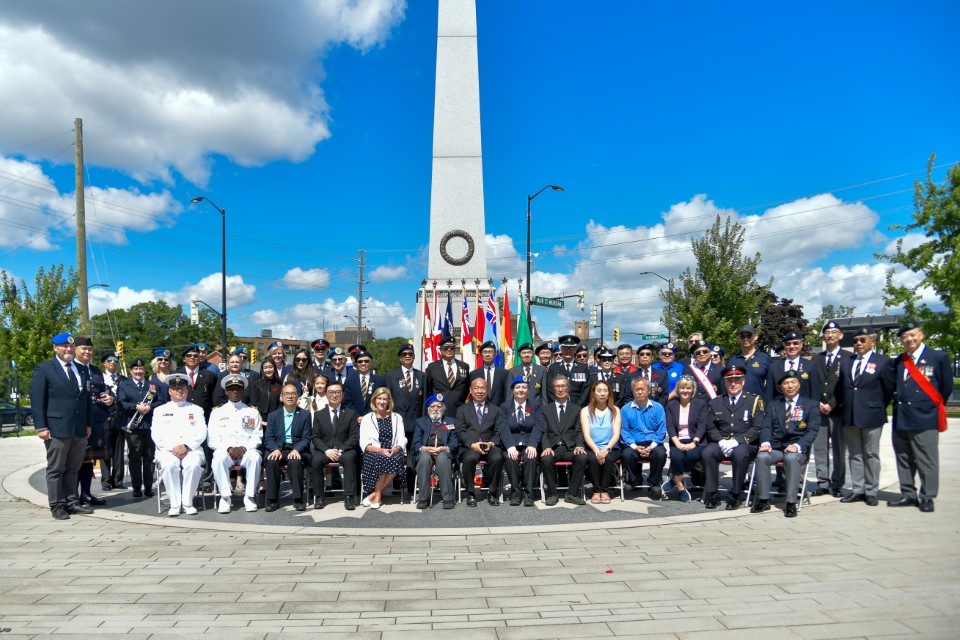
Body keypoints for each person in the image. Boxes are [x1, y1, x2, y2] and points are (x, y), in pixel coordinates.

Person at [888, 321, 952, 513]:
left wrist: (927, 406)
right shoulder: (899, 361)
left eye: (912, 335)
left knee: (927, 459)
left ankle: (927, 496)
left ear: (921, 335)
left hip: (925, 418)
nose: (909, 339)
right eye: (905, 337)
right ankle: (908, 493)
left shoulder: (938, 357)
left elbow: (946, 388)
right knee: (904, 458)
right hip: (902, 418)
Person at [32, 333, 94, 520]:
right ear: (55, 348)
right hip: (56, 428)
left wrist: (88, 423)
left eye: (70, 346)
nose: (68, 349)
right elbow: (37, 400)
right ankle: (57, 505)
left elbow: (86, 401)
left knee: (73, 468)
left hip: (79, 428)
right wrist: (41, 426)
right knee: (56, 468)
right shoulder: (44, 368)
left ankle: (72, 502)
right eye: (63, 347)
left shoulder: (82, 370)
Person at [752, 369, 821, 517]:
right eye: (786, 383)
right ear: (781, 387)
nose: (790, 386)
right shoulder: (773, 405)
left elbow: (813, 431)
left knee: (791, 458)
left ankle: (791, 502)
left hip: (798, 449)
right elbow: (766, 427)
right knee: (762, 456)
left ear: (799, 385)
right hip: (777, 447)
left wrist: (798, 446)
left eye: (793, 382)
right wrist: (765, 442)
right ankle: (763, 499)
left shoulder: (810, 405)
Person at [837, 328, 894, 506]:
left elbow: (888, 390)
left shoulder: (883, 362)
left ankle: (871, 491)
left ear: (873, 342)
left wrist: (876, 406)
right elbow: (842, 388)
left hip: (872, 415)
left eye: (862, 340)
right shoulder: (847, 362)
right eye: (855, 341)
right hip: (850, 415)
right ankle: (857, 489)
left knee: (871, 454)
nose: (858, 344)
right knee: (855, 454)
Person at [702, 365, 765, 510]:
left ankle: (735, 494)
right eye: (730, 381)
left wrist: (738, 441)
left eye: (737, 380)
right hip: (722, 441)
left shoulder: (754, 401)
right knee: (707, 453)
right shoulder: (716, 402)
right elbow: (710, 427)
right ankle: (712, 494)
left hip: (744, 443)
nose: (733, 384)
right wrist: (721, 440)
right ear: (725, 383)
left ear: (743, 382)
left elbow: (757, 427)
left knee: (740, 454)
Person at [151, 373, 207, 517]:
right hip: (167, 450)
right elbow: (156, 434)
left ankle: (187, 502)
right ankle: (175, 504)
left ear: (187, 390)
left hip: (191, 449)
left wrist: (186, 446)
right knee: (169, 465)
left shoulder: (196, 410)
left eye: (182, 388)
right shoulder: (160, 411)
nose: (179, 391)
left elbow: (202, 433)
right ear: (170, 391)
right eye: (175, 388)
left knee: (193, 464)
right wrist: (173, 448)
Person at [208, 375, 263, 513]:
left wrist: (244, 448)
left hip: (246, 451)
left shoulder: (252, 412)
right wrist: (228, 448)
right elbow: (213, 438)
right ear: (226, 391)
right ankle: (225, 497)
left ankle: (249, 496)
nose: (235, 392)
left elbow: (257, 436)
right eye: (231, 389)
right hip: (227, 451)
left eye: (238, 389)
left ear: (243, 391)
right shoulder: (217, 413)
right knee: (218, 458)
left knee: (255, 457)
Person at [71, 336, 113, 507]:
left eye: (89, 349)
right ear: (75, 350)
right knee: (75, 460)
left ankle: (86, 494)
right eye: (83, 349)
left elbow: (104, 390)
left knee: (88, 459)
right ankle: (72, 496)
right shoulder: (71, 369)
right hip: (77, 422)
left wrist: (111, 399)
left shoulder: (96, 371)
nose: (87, 352)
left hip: (95, 420)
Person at [118, 357, 167, 498]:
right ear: (131, 371)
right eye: (135, 369)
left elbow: (161, 401)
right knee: (134, 457)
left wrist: (150, 407)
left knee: (149, 457)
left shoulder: (152, 385)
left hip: (150, 426)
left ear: (145, 370)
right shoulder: (124, 385)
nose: (138, 371)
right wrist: (136, 407)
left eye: (141, 369)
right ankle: (136, 488)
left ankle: (148, 487)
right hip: (133, 427)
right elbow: (121, 403)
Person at [538, 375, 588, 506]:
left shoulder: (577, 409)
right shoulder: (545, 409)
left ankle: (572, 493)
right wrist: (546, 447)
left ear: (568, 388)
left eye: (563, 386)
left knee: (582, 458)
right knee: (546, 459)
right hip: (553, 447)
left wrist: (579, 445)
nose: (560, 389)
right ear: (553, 389)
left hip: (570, 448)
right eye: (557, 386)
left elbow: (578, 431)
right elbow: (544, 432)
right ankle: (552, 494)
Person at [309, 380, 360, 510]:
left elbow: (354, 436)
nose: (334, 395)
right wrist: (326, 450)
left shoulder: (351, 413)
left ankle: (349, 497)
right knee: (315, 461)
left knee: (349, 459)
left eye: (338, 392)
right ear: (326, 394)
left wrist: (341, 449)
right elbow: (315, 436)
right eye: (331, 392)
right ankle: (319, 497)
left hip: (345, 449)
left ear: (342, 395)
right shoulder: (319, 415)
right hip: (325, 450)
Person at [264, 383, 312, 512]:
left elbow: (306, 438)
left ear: (298, 397)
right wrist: (275, 449)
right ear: (281, 397)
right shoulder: (273, 416)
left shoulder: (305, 415)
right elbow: (268, 438)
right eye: (286, 394)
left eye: (293, 393)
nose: (290, 396)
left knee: (295, 461)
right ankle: (272, 499)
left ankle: (298, 498)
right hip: (278, 448)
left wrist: (297, 449)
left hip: (297, 449)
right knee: (272, 461)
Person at [456, 378, 503, 507]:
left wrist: (491, 444)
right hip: (469, 447)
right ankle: (471, 493)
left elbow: (498, 432)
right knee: (470, 458)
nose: (480, 391)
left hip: (489, 446)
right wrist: (471, 444)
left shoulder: (495, 410)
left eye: (483, 388)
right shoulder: (462, 409)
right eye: (476, 388)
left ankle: (492, 493)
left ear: (488, 391)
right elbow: (460, 431)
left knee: (498, 458)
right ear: (471, 390)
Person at [496, 376, 542, 507]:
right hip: (512, 443)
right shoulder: (505, 407)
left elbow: (539, 425)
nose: (521, 390)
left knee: (531, 458)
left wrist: (533, 444)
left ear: (528, 390)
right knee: (510, 460)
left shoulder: (535, 405)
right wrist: (510, 446)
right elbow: (502, 427)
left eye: (524, 387)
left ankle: (529, 494)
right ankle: (515, 493)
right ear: (513, 390)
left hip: (529, 442)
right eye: (517, 387)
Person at [814, 320, 847, 497]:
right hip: (819, 410)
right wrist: (819, 402)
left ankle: (838, 483)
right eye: (827, 332)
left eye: (834, 332)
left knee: (839, 448)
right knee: (820, 448)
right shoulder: (817, 358)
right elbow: (813, 384)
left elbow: (847, 385)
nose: (830, 335)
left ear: (840, 335)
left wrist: (832, 403)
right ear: (823, 336)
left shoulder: (848, 357)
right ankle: (823, 483)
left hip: (838, 410)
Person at [359, 387, 407, 509]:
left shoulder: (397, 417)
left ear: (389, 401)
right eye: (379, 398)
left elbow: (402, 438)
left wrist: (396, 449)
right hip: (374, 451)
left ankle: (374, 495)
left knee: (396, 459)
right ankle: (378, 495)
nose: (382, 402)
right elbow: (364, 442)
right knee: (380, 459)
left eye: (385, 399)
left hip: (393, 450)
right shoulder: (367, 418)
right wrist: (380, 450)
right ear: (374, 400)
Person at [620, 377, 667, 500]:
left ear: (648, 390)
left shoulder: (658, 407)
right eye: (636, 389)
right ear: (632, 391)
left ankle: (654, 481)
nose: (639, 392)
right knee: (626, 455)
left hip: (653, 443)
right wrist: (635, 447)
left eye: (642, 389)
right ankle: (635, 479)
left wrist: (651, 447)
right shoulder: (625, 409)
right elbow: (624, 431)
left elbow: (661, 430)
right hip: (635, 443)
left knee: (661, 454)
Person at [665, 375, 709, 502]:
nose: (685, 391)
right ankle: (680, 486)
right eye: (683, 388)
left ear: (693, 389)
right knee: (676, 456)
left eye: (688, 388)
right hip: (677, 440)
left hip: (696, 441)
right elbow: (669, 426)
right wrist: (677, 443)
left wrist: (694, 442)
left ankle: (674, 479)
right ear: (678, 389)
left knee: (691, 456)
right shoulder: (671, 405)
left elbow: (702, 425)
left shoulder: (700, 404)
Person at [412, 394, 459, 509]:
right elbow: (416, 442)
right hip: (426, 451)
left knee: (443, 458)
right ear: (428, 409)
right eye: (432, 407)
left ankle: (448, 498)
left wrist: (444, 448)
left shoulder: (450, 422)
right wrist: (424, 448)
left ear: (443, 408)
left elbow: (454, 442)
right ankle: (423, 498)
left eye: (439, 406)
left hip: (443, 451)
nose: (436, 409)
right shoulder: (421, 422)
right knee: (424, 458)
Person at [581, 380, 621, 504]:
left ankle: (604, 490)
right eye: (599, 391)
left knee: (608, 458)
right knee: (593, 459)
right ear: (593, 393)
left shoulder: (615, 410)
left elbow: (616, 434)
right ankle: (596, 490)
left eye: (605, 390)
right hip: (592, 447)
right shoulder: (585, 411)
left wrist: (606, 449)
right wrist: (597, 450)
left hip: (611, 447)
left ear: (609, 393)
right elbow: (586, 435)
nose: (602, 393)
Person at [766, 330, 820, 405]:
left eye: (795, 343)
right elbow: (769, 395)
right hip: (780, 412)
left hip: (803, 412)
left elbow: (815, 395)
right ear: (784, 346)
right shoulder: (773, 367)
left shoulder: (810, 366)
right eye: (788, 344)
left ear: (801, 345)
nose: (792, 346)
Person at [425, 336, 471, 417]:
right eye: (446, 348)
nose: (449, 350)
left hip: (459, 412)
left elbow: (467, 388)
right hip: (439, 413)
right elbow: (428, 389)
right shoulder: (433, 367)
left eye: (452, 348)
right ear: (440, 350)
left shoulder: (464, 366)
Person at [99, 351, 125, 492]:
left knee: (119, 450)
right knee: (104, 451)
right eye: (109, 360)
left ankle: (118, 479)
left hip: (118, 419)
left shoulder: (123, 379)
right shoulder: (99, 379)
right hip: (103, 419)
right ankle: (106, 480)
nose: (113, 362)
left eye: (116, 360)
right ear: (104, 363)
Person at [727, 325, 772, 399]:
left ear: (756, 336)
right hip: (736, 406)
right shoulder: (732, 360)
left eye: (749, 336)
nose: (745, 339)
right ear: (738, 338)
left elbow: (771, 387)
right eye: (742, 336)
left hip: (757, 406)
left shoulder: (765, 359)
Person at [545, 335, 590, 406]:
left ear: (575, 350)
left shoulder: (583, 368)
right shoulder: (553, 368)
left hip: (578, 407)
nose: (568, 351)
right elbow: (550, 390)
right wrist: (558, 405)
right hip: (558, 407)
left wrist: (576, 407)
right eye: (565, 348)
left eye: (571, 348)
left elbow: (586, 390)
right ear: (561, 349)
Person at [325, 347, 363, 413]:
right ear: (331, 362)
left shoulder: (356, 375)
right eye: (334, 360)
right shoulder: (326, 375)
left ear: (345, 360)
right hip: (332, 412)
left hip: (352, 413)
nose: (337, 362)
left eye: (340, 359)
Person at [354, 349, 386, 415]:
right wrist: (356, 416)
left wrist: (369, 416)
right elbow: (347, 402)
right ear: (356, 364)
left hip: (374, 417)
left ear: (371, 363)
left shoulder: (380, 381)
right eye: (360, 361)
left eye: (366, 361)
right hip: (355, 420)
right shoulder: (349, 381)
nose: (363, 363)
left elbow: (382, 400)